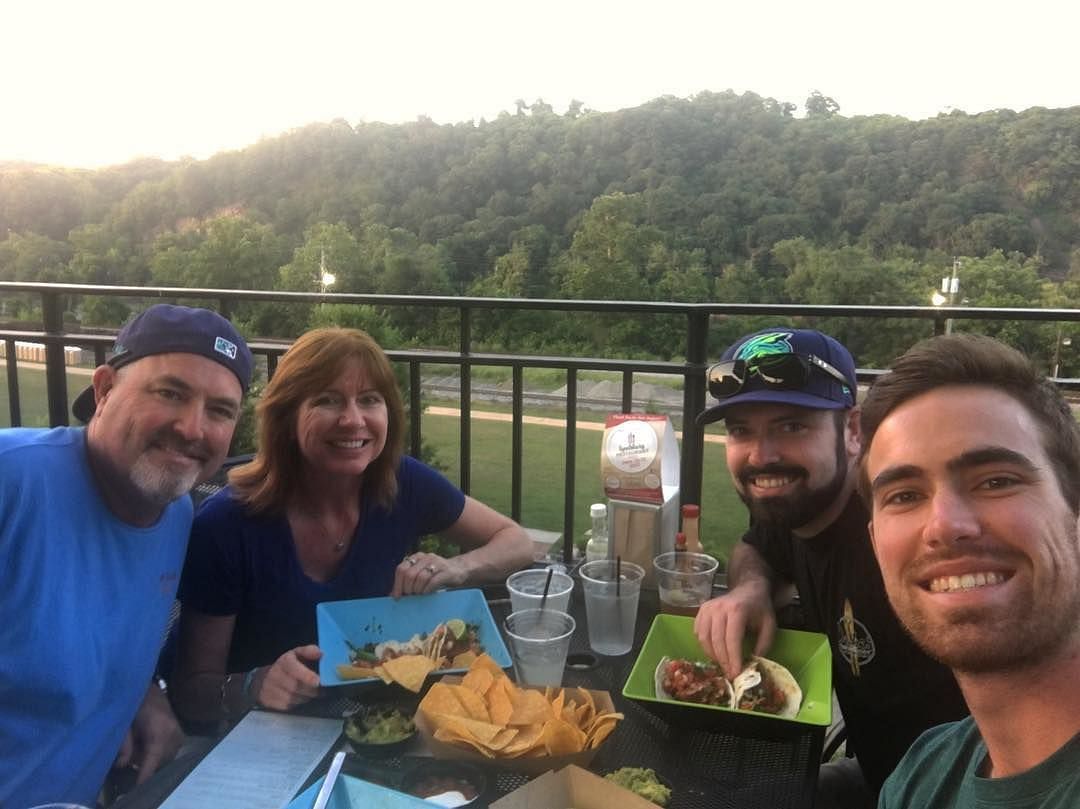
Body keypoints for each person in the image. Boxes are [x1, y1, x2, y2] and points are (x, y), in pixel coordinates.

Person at [170, 327, 534, 723]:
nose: (352, 420)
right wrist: (251, 686)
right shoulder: (227, 524)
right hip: (260, 739)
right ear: (286, 417)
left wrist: (457, 568)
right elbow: (190, 691)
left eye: (369, 400)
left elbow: (516, 542)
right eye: (326, 400)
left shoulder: (402, 482)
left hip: (376, 722)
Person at [691, 327, 968, 809]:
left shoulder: (899, 542)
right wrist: (750, 590)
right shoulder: (793, 507)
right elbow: (754, 547)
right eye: (741, 430)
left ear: (853, 431)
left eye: (792, 425)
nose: (762, 455)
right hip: (878, 775)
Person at [0, 304, 252, 808]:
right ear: (104, 389)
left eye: (220, 410)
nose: (191, 428)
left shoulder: (176, 512)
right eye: (170, 393)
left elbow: (89, 629)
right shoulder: (13, 483)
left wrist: (141, 694)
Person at [860, 334, 1080, 807]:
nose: (945, 526)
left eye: (996, 481)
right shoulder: (921, 775)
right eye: (904, 495)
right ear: (877, 545)